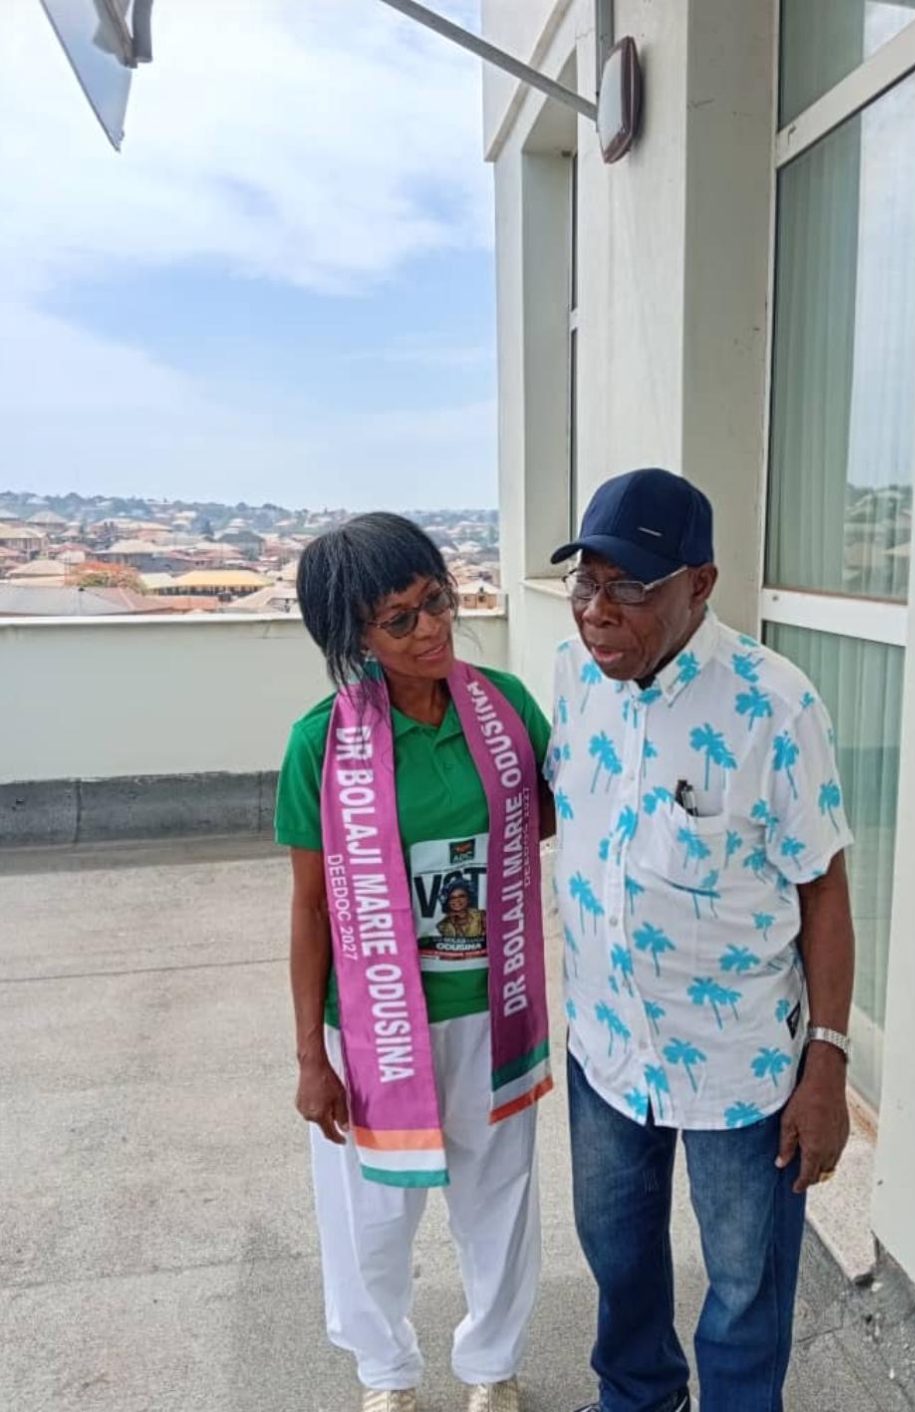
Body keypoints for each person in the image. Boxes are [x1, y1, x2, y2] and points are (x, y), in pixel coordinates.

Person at [546, 469, 856, 1412]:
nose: (598, 611)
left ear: (701, 584)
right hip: (606, 1047)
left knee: (745, 1288)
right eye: (586, 581)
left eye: (629, 586)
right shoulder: (573, 679)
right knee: (617, 1257)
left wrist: (827, 1063)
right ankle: (640, 1398)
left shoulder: (775, 706)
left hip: (739, 1067)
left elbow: (825, 889)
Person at [275, 513, 554, 1412]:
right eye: (400, 620)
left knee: (498, 1198)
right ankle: (386, 1376)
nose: (433, 628)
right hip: (373, 1027)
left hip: (492, 1008)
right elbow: (311, 907)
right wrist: (311, 1057)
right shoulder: (320, 745)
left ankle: (492, 1370)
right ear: (354, 638)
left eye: (437, 600)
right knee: (373, 1217)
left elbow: (550, 818)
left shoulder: (505, 709)